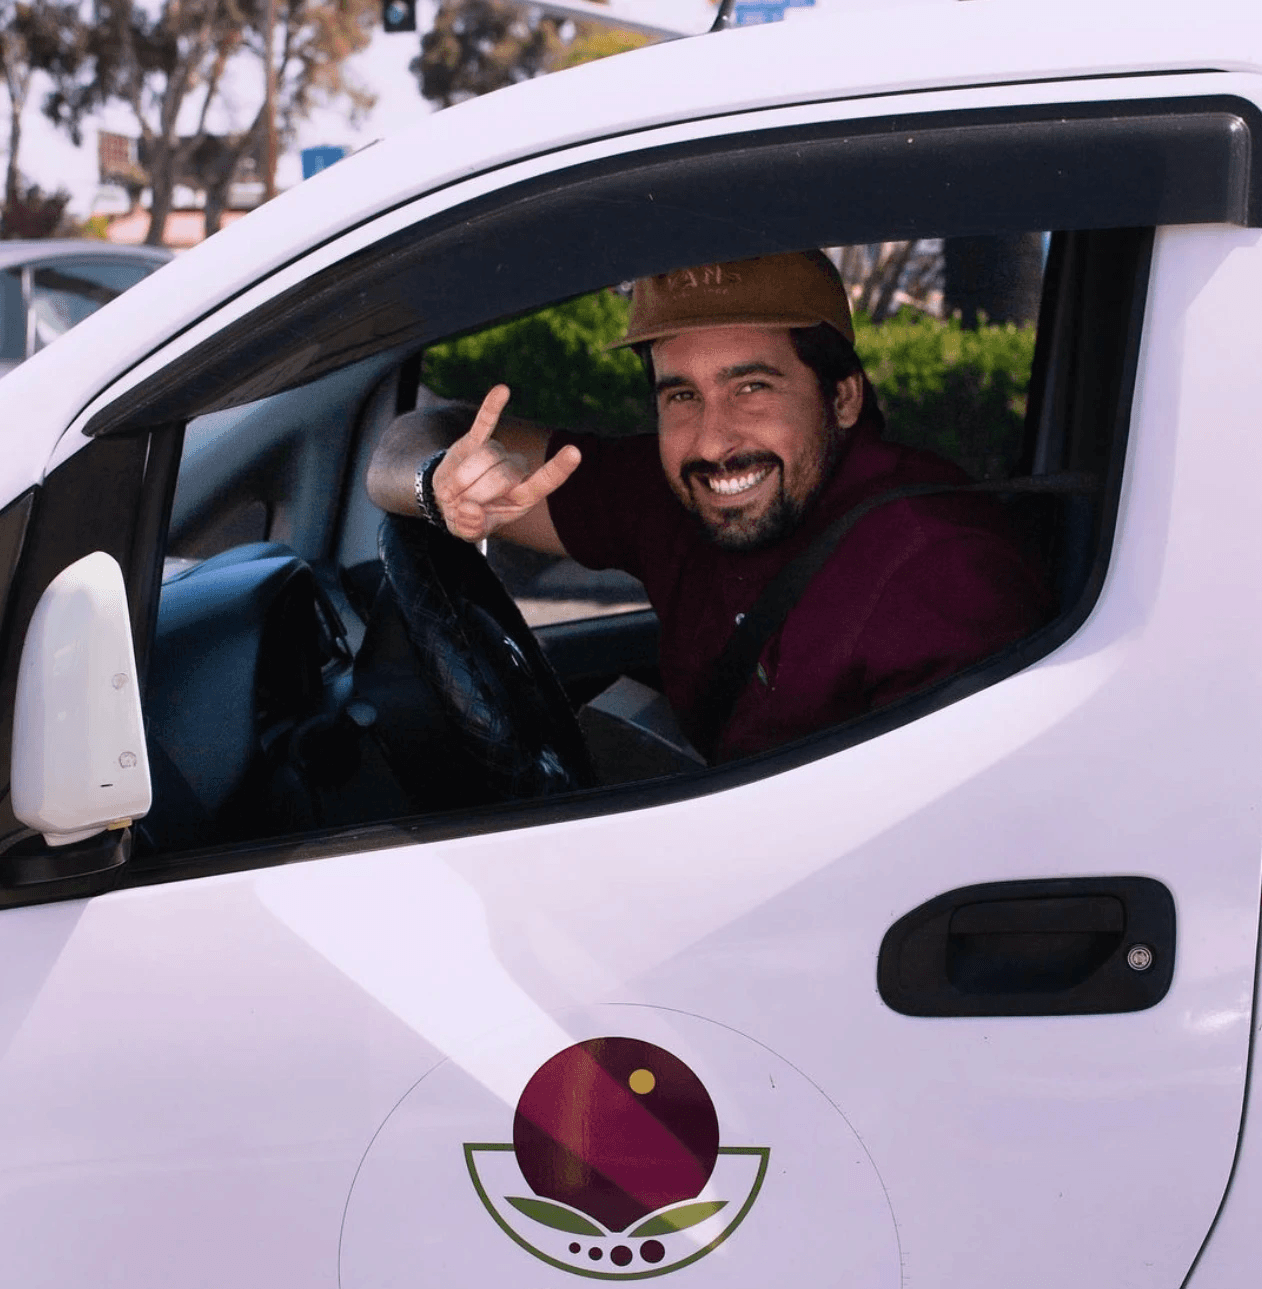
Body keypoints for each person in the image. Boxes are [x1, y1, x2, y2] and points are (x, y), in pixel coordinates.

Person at [367, 250, 1053, 762]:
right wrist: (436, 483)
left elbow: (945, 857)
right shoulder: (674, 492)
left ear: (841, 397)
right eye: (681, 395)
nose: (714, 440)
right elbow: (413, 441)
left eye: (752, 387)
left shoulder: (938, 572)